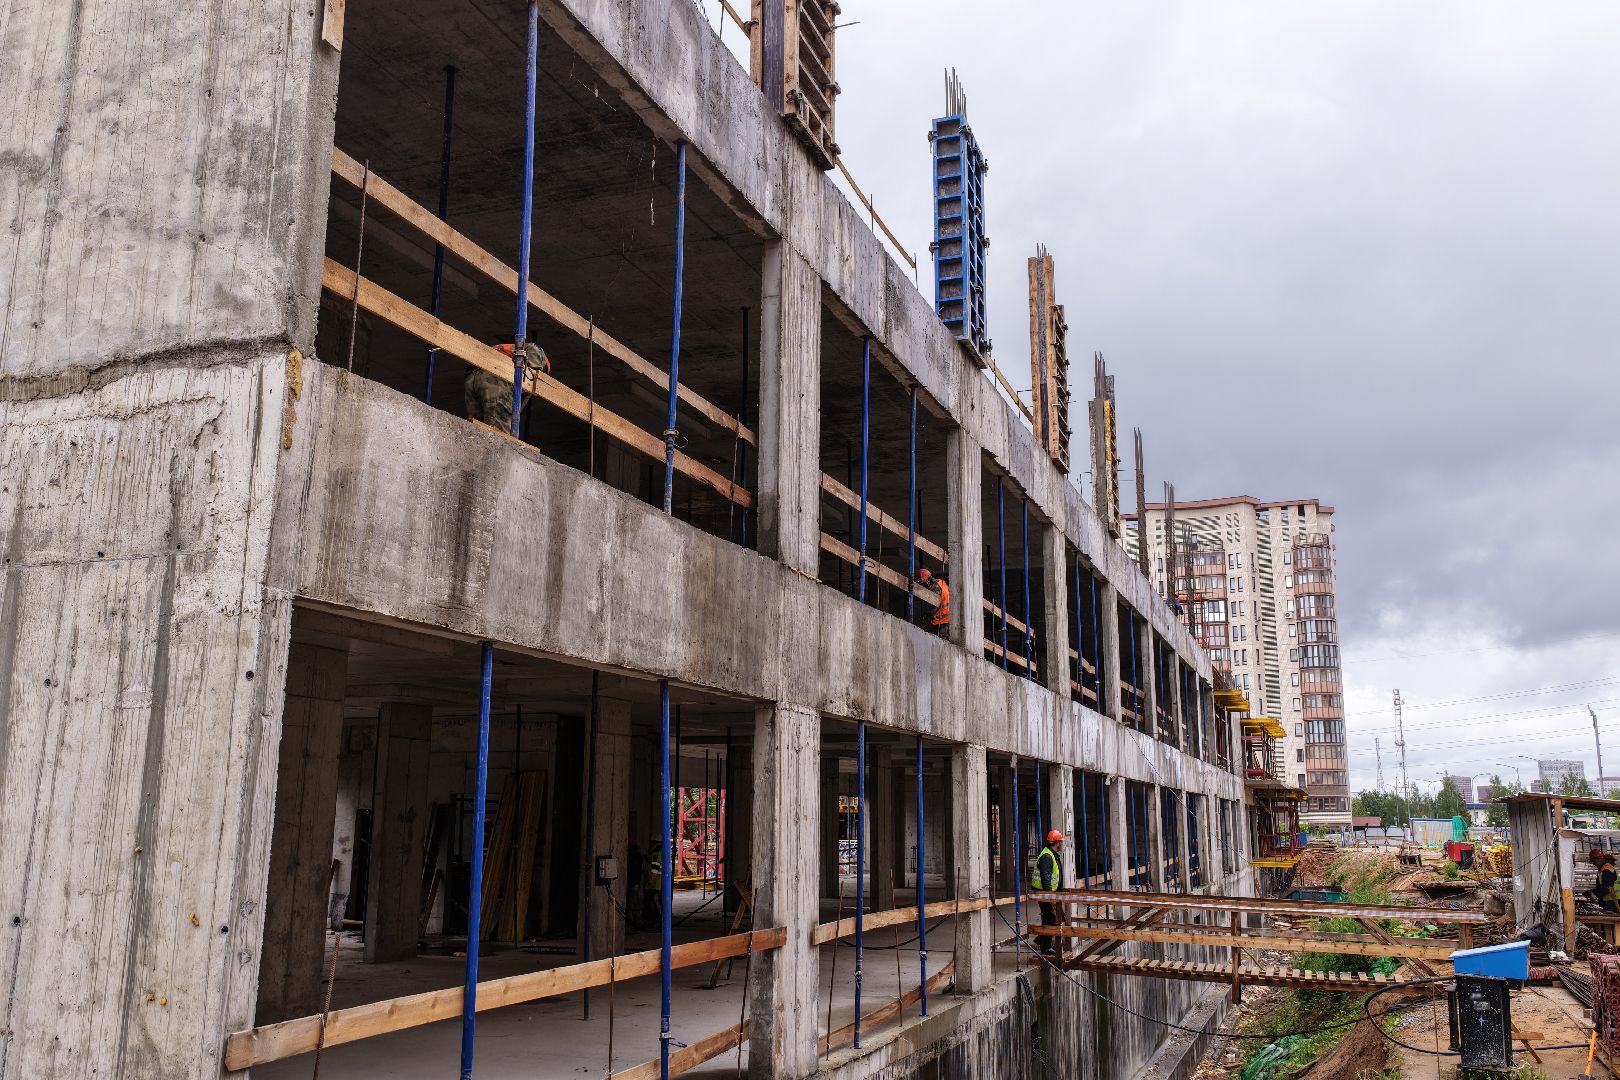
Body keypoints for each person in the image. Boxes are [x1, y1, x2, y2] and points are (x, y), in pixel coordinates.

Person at [466, 341, 549, 431]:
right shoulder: (539, 354)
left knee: (477, 429)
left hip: (472, 377)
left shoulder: (512, 349)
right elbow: (528, 377)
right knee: (498, 430)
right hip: (495, 378)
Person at [1031, 829, 1064, 955]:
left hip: (1047, 893)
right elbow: (1045, 878)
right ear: (1057, 843)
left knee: (1048, 917)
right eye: (1060, 842)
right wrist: (1050, 897)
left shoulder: (1051, 854)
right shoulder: (1047, 856)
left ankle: (1041, 939)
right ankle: (1045, 946)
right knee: (1050, 917)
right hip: (1043, 893)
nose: (1061, 844)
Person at [915, 567, 951, 634]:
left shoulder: (934, 590)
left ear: (927, 581)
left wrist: (926, 619)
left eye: (923, 584)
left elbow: (932, 610)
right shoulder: (941, 582)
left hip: (941, 622)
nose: (923, 586)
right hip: (948, 619)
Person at [1589, 849, 1619, 913]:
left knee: (1612, 920)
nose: (1594, 864)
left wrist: (1595, 894)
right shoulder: (1603, 870)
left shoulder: (1607, 870)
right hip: (1610, 901)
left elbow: (1607, 887)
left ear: (1600, 859)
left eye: (1594, 861)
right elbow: (1604, 885)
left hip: (1613, 901)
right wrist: (1593, 891)